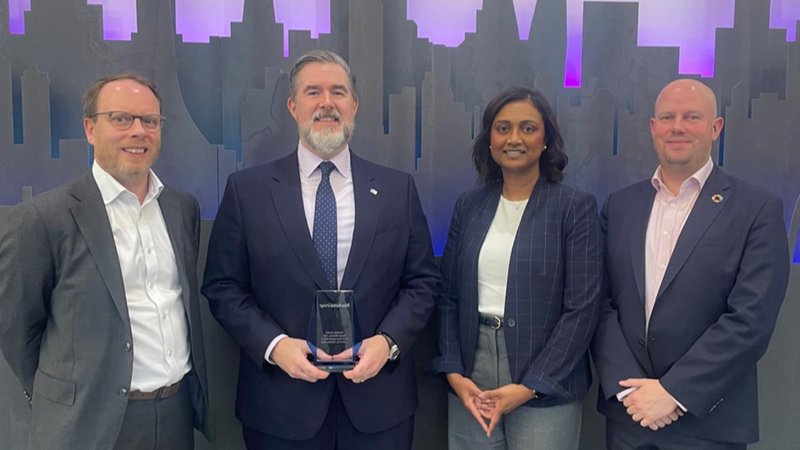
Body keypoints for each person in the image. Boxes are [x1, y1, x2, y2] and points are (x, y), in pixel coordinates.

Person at [201, 50, 438, 449]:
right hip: (279, 406)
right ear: (293, 106)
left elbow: (423, 283)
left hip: (379, 406)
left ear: (355, 106)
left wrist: (388, 343)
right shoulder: (248, 191)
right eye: (313, 92)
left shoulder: (398, 190)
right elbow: (223, 287)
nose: (327, 103)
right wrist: (275, 347)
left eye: (338, 92)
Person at [0, 73, 208, 450]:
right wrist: (63, 397)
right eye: (121, 118)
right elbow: (16, 329)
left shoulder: (181, 208)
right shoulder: (43, 219)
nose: (138, 131)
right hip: (88, 425)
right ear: (90, 128)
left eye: (150, 121)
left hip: (175, 417)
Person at [591, 79, 790, 450]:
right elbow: (601, 306)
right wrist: (632, 390)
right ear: (653, 128)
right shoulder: (619, 206)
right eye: (667, 117)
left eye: (692, 117)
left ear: (716, 128)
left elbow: (752, 319)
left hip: (707, 423)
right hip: (629, 418)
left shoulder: (757, 209)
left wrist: (673, 392)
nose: (677, 126)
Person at [432, 86, 602, 450]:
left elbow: (582, 309)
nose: (514, 138)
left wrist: (530, 386)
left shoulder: (574, 207)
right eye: (502, 128)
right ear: (489, 140)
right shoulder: (469, 205)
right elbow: (447, 296)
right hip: (471, 379)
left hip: (545, 378)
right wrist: (453, 373)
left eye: (528, 128)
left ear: (546, 140)